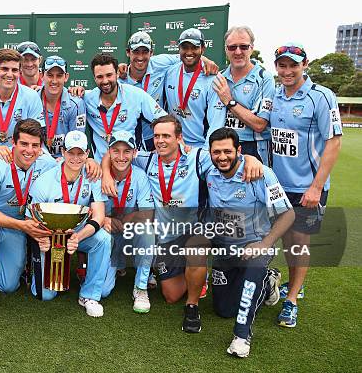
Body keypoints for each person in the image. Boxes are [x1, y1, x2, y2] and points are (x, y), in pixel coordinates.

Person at [101, 115, 264, 332]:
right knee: (170, 295)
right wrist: (104, 171)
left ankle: (193, 305)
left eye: (166, 136)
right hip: (167, 237)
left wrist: (252, 159)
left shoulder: (196, 157)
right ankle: (198, 274)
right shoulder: (147, 159)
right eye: (157, 136)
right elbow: (115, 154)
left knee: (196, 248)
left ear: (179, 138)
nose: (160, 141)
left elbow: (227, 157)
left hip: (194, 231)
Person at [258, 43, 342, 328]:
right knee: (286, 240)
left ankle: (291, 300)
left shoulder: (321, 96)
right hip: (279, 186)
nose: (287, 71)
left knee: (299, 243)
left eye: (293, 65)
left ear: (305, 64)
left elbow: (333, 142)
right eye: (282, 65)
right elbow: (261, 125)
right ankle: (296, 284)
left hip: (308, 187)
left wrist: (316, 187)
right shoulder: (274, 94)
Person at [206, 127, 294, 357]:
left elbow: (288, 215)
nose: (222, 157)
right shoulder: (208, 171)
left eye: (228, 151)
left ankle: (242, 336)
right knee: (224, 310)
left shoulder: (260, 173)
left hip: (254, 246)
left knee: (251, 278)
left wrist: (264, 244)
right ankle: (268, 281)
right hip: (224, 249)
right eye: (216, 152)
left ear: (239, 150)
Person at [0, 119, 57, 327]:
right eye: (24, 144)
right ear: (13, 143)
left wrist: (91, 163)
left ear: (41, 147)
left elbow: (69, 165)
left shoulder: (47, 163)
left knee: (8, 285)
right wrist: (21, 226)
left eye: (35, 145)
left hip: (18, 224)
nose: (29, 150)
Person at [26, 131, 112, 316]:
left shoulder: (93, 177)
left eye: (80, 153)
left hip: (77, 234)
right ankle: (31, 271)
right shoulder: (44, 181)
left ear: (87, 153)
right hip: (49, 237)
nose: (75, 158)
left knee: (104, 238)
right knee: (46, 295)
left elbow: (99, 216)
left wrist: (77, 237)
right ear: (63, 152)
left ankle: (89, 295)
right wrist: (42, 238)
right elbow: (29, 219)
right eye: (71, 152)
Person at [100, 130, 155, 313]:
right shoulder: (98, 174)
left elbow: (148, 213)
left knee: (147, 231)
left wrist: (123, 220)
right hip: (106, 230)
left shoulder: (139, 176)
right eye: (116, 151)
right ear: (108, 152)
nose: (121, 157)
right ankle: (117, 266)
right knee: (103, 291)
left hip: (127, 229)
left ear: (134, 153)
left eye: (127, 151)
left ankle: (140, 287)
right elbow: (88, 208)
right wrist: (105, 219)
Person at [84, 53, 167, 162]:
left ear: (117, 73)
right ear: (94, 78)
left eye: (109, 75)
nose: (105, 81)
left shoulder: (136, 95)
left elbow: (165, 121)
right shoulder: (87, 98)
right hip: (101, 167)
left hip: (132, 164)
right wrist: (75, 90)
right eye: (100, 77)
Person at [212, 26, 274, 164]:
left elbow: (259, 124)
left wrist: (229, 101)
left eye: (243, 47)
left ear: (251, 48)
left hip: (254, 148)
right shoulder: (219, 78)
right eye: (232, 47)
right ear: (226, 49)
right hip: (224, 147)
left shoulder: (264, 78)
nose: (238, 52)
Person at [161, 28, 226, 148]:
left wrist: (205, 153)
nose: (189, 52)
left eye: (194, 47)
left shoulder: (213, 79)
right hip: (172, 145)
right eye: (185, 47)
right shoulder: (169, 72)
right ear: (179, 49)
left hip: (199, 147)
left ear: (203, 49)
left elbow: (216, 123)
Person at [39, 55, 86, 158]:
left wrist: (62, 161)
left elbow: (76, 142)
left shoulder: (76, 104)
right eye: (50, 75)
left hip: (66, 159)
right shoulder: (33, 99)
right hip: (38, 158)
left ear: (66, 77)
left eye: (59, 76)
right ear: (41, 75)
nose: (54, 81)